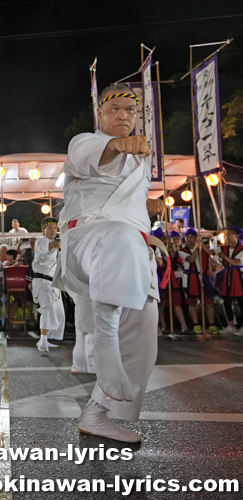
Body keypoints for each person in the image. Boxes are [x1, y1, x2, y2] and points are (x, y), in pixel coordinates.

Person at [54, 83, 162, 443]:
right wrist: (116, 144)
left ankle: (97, 414)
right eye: (114, 109)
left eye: (129, 111)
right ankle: (104, 337)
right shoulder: (84, 142)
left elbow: (125, 208)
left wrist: (149, 218)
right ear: (99, 115)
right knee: (117, 234)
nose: (122, 115)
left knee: (145, 334)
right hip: (87, 242)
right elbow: (92, 157)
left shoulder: (141, 164)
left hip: (131, 253)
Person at [31, 217, 64, 352]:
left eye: (55, 228)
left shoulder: (57, 246)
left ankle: (46, 338)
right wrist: (54, 245)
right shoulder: (41, 242)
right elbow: (48, 247)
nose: (53, 230)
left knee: (59, 311)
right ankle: (43, 340)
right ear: (43, 230)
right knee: (47, 307)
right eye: (49, 228)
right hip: (42, 281)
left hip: (52, 282)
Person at [178, 228, 216, 333]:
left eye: (192, 237)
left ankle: (212, 324)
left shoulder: (201, 248)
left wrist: (201, 243)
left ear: (195, 238)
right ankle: (196, 324)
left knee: (209, 301)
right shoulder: (182, 251)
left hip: (202, 277)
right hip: (190, 278)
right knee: (192, 302)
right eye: (187, 237)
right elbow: (191, 259)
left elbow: (210, 252)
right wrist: (196, 247)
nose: (189, 239)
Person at [213, 226, 243, 335]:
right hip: (227, 276)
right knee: (226, 300)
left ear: (237, 236)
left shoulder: (241, 249)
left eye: (230, 234)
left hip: (238, 276)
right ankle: (230, 325)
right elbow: (211, 251)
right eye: (226, 234)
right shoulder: (223, 248)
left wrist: (223, 257)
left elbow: (235, 262)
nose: (227, 237)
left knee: (241, 301)